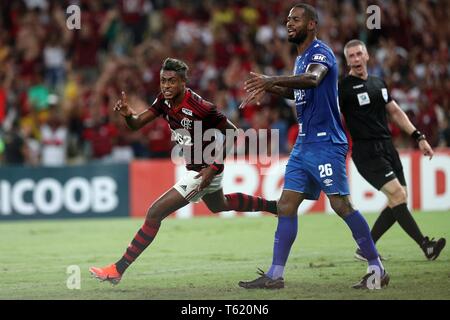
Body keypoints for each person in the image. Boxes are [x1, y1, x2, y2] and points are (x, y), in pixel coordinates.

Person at [238, 3, 388, 290]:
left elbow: (312, 79)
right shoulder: (300, 58)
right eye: (287, 19)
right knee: (286, 205)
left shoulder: (320, 53)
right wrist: (269, 87)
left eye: (295, 19)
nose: (288, 23)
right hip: (304, 144)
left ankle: (376, 266)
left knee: (341, 204)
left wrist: (272, 79)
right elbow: (299, 91)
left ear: (311, 24)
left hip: (326, 143)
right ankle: (275, 274)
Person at [89, 58, 278, 284]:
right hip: (201, 169)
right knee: (220, 205)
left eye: (171, 81)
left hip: (203, 172)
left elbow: (233, 132)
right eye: (163, 81)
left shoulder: (200, 107)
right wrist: (129, 115)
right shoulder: (163, 101)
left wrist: (213, 168)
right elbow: (137, 124)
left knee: (155, 212)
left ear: (183, 83)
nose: (166, 86)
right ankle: (274, 206)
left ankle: (118, 269)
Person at [339, 39, 446, 261]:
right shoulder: (343, 88)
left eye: (360, 54)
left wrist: (419, 137)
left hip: (388, 147)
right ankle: (426, 245)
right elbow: (329, 114)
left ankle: (365, 248)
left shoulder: (379, 83)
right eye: (351, 56)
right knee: (397, 195)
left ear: (367, 56)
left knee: (399, 198)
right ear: (347, 60)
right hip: (366, 152)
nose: (357, 59)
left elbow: (395, 112)